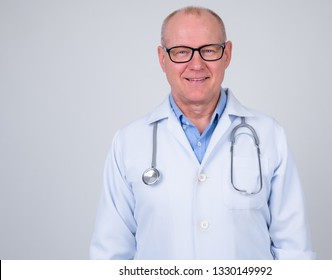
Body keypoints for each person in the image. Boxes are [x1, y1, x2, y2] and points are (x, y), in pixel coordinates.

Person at [90, 6, 315, 260]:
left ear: (227, 54)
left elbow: (294, 251)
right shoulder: (128, 143)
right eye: (181, 52)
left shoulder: (269, 135)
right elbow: (110, 257)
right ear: (162, 58)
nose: (196, 64)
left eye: (208, 50)